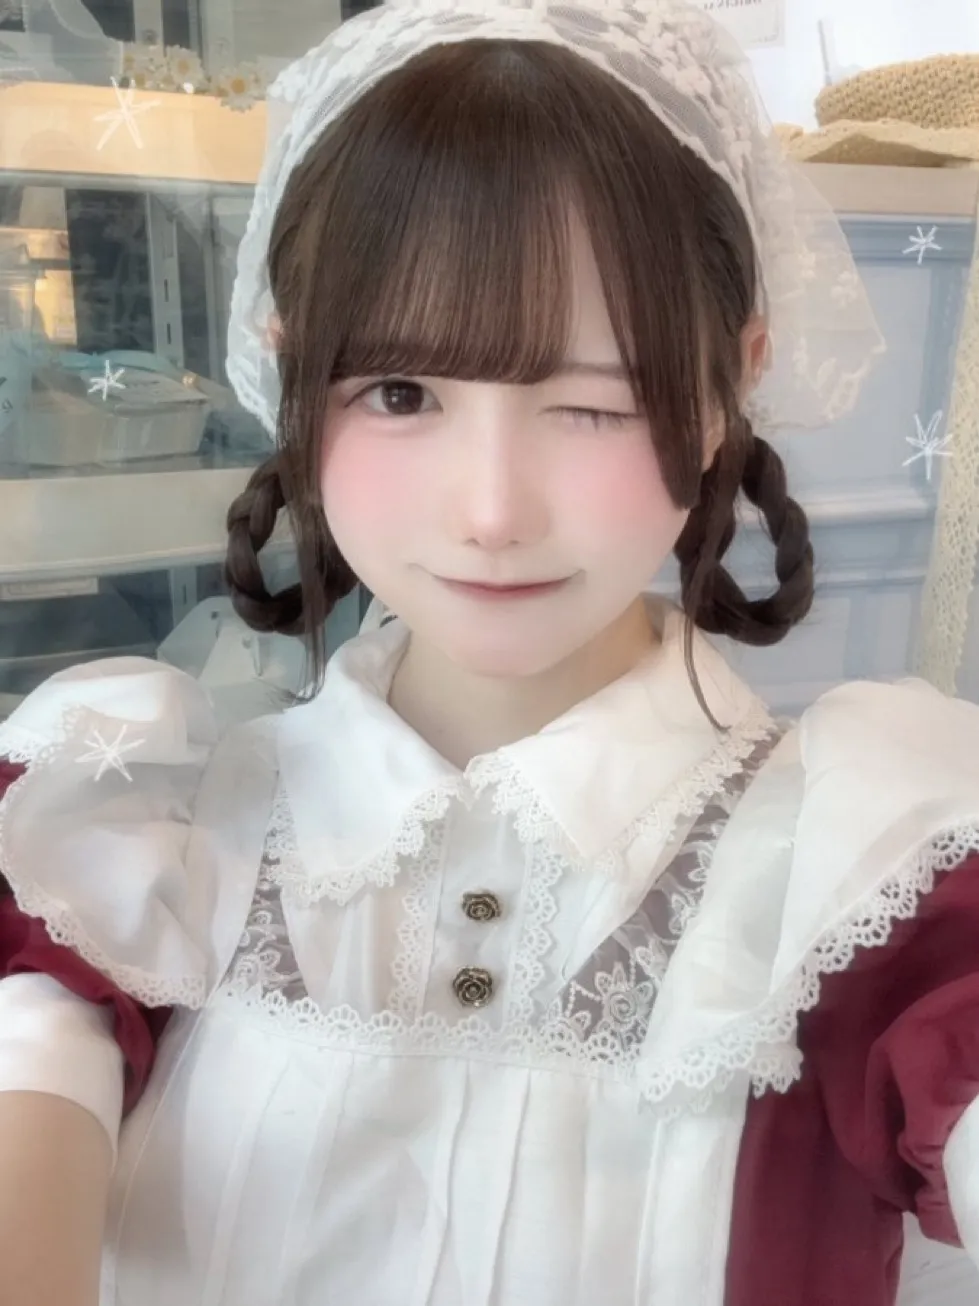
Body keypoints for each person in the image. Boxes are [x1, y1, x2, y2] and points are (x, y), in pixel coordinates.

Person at [0, 2, 977, 1303]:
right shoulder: (123, 845)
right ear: (292, 366)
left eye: (592, 402)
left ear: (730, 382)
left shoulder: (867, 887)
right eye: (401, 394)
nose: (493, 511)